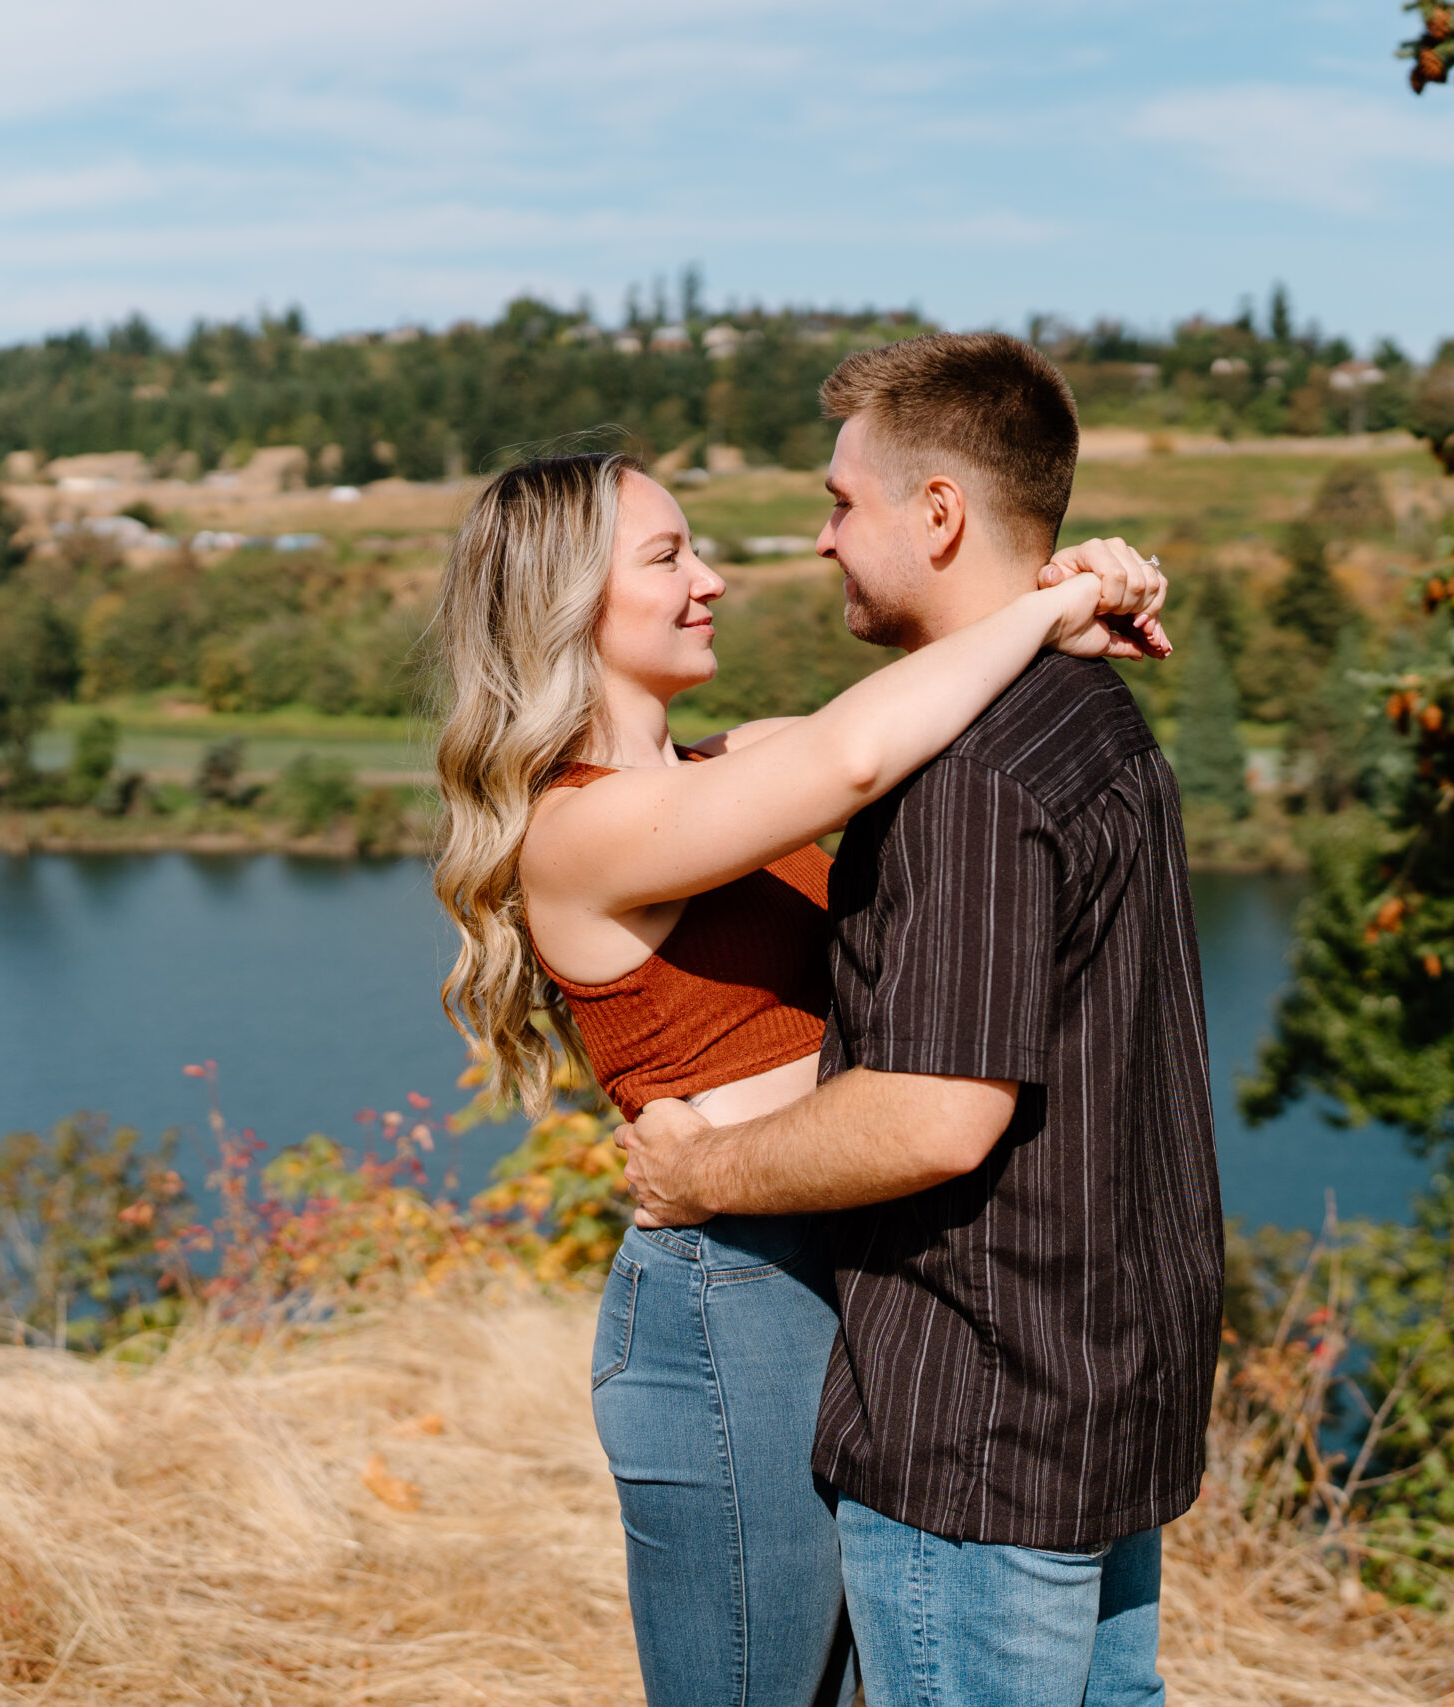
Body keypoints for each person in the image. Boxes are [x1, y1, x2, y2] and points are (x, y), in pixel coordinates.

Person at [430, 444, 1171, 1707]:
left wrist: (1074, 586)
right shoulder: (581, 830)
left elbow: (921, 715)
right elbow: (854, 760)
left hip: (862, 1284)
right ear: (564, 606)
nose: (711, 578)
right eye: (667, 558)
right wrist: (1049, 608)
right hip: (734, 1309)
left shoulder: (727, 768)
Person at [618, 333, 1225, 1707]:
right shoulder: (1093, 714)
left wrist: (695, 1170)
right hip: (1109, 1396)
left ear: (938, 512)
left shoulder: (969, 777)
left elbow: (934, 1111)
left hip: (981, 1427)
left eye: (844, 502)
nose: (823, 539)